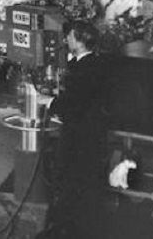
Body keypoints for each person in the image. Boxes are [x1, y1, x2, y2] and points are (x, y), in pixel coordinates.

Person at [44, 21, 109, 238]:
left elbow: (73, 104)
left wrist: (49, 102)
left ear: (80, 41)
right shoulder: (92, 63)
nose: (66, 40)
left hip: (78, 135)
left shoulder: (83, 69)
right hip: (88, 133)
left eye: (70, 36)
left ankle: (64, 227)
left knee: (68, 177)